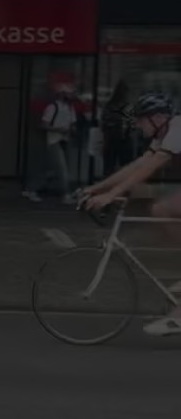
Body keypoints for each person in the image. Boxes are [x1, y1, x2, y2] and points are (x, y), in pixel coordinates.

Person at [82, 92, 181, 336]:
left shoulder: (177, 128)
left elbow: (148, 168)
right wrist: (96, 188)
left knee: (163, 209)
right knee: (158, 209)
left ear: (159, 118)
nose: (136, 124)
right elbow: (138, 164)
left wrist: (109, 195)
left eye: (141, 119)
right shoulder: (164, 133)